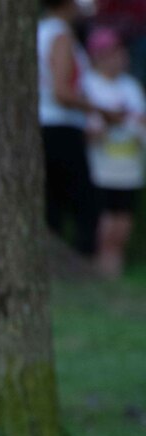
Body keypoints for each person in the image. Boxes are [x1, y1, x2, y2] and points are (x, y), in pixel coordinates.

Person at [40, 0, 122, 258]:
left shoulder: (39, 31)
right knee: (86, 206)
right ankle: (81, 264)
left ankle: (53, 264)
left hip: (43, 125)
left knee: (52, 203)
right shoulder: (61, 36)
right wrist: (101, 111)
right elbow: (62, 92)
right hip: (61, 127)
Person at [83, 26, 146, 279]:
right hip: (100, 166)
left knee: (123, 224)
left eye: (121, 52)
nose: (120, 58)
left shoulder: (131, 86)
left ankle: (114, 276)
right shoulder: (88, 84)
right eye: (113, 53)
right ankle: (98, 274)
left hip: (129, 166)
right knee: (104, 224)